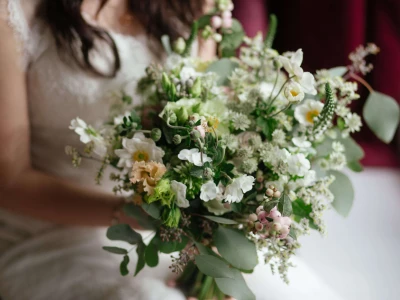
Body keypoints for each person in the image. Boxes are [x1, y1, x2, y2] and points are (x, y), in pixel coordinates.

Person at [0, 1, 345, 299]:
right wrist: (136, 214)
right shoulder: (14, 11)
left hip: (171, 229)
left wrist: (216, 234)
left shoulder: (196, 5)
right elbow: (9, 180)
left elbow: (208, 119)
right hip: (51, 235)